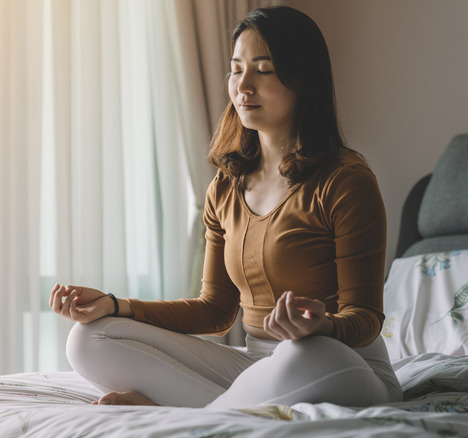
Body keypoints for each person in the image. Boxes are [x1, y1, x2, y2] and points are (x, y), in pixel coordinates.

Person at [48, 6, 403, 410]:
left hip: (340, 361)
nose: (243, 86)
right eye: (236, 70)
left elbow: (366, 318)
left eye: (263, 70)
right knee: (89, 338)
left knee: (304, 353)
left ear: (303, 79)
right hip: (256, 365)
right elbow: (215, 310)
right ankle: (226, 408)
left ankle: (187, 411)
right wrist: (114, 306)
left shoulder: (346, 181)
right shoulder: (226, 186)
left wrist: (323, 325)